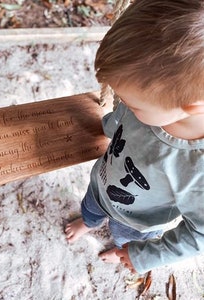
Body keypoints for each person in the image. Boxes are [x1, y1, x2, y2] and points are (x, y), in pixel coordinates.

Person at [65, 0, 204, 275]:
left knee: (123, 237)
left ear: (190, 108)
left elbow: (198, 234)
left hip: (139, 220)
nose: (124, 104)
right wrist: (109, 125)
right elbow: (121, 118)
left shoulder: (196, 169)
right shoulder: (158, 105)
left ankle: (120, 250)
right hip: (101, 182)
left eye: (134, 104)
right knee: (90, 208)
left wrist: (143, 256)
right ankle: (88, 222)